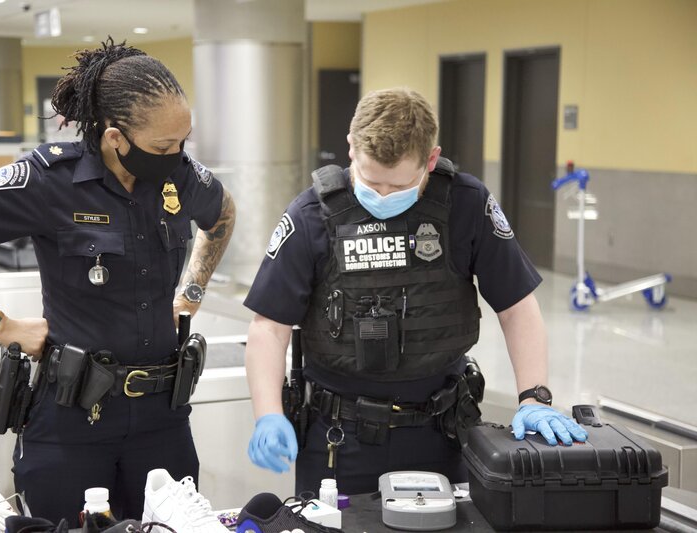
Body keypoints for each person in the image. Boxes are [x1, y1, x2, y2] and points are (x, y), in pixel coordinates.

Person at [0, 38, 236, 524]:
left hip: (164, 417)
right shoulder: (47, 179)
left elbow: (223, 212)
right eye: (164, 146)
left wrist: (193, 291)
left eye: (184, 141)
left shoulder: (178, 176)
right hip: (72, 418)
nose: (178, 154)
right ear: (115, 136)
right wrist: (3, 326)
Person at [243, 88, 587, 495]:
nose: (382, 197)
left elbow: (517, 308)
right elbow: (269, 327)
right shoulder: (310, 216)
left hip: (444, 433)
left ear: (431, 159)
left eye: (399, 186)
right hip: (338, 437)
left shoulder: (466, 205)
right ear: (351, 147)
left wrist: (534, 397)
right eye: (371, 181)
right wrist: (268, 413)